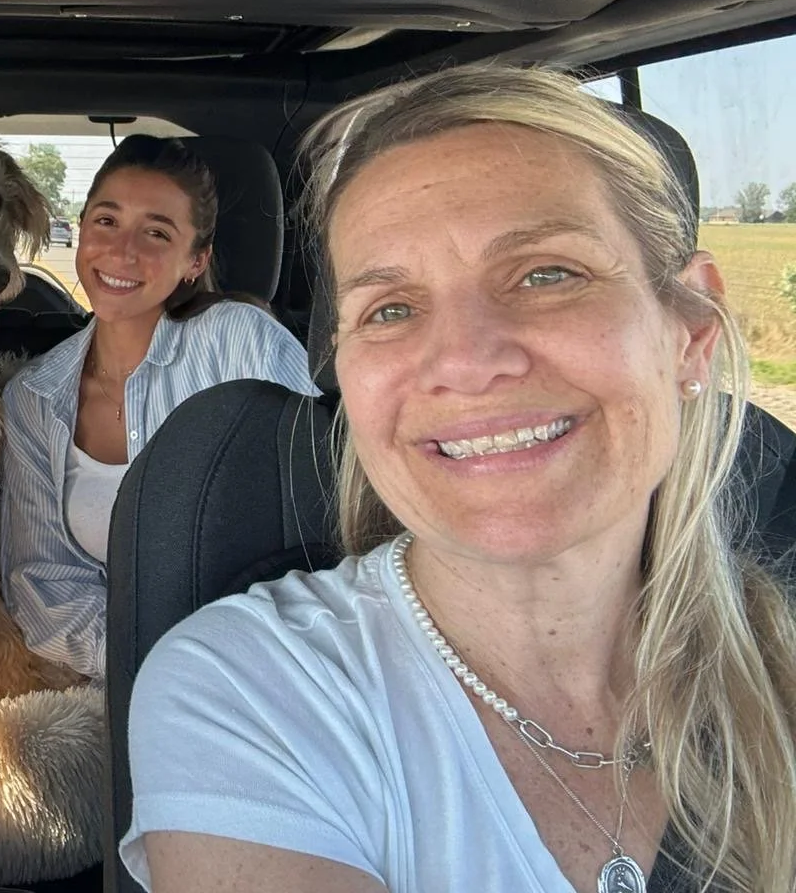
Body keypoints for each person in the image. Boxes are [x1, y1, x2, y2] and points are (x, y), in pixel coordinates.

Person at [121, 66, 796, 892]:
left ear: (691, 330)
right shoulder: (250, 691)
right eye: (392, 309)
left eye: (548, 274)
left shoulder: (776, 661)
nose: (469, 363)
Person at [0, 134, 317, 681]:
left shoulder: (243, 344)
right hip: (122, 678)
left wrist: (228, 672)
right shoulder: (34, 397)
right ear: (79, 231)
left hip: (275, 672)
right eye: (106, 221)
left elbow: (323, 530)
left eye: (156, 233)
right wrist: (153, 672)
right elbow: (45, 584)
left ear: (196, 261)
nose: (123, 252)